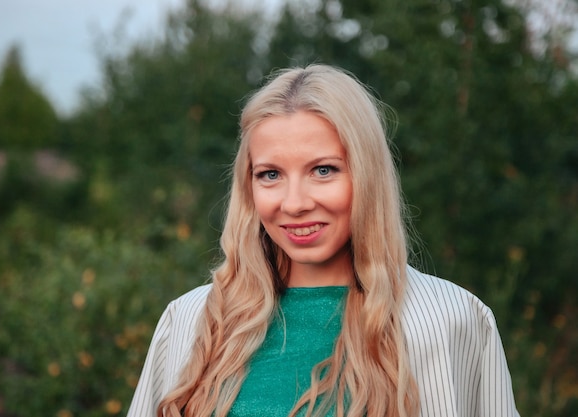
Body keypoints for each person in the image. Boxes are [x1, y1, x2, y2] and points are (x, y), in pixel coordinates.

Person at [126, 64, 520, 417]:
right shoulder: (191, 320)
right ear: (248, 186)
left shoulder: (453, 319)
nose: (294, 204)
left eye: (324, 170)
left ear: (367, 176)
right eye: (270, 175)